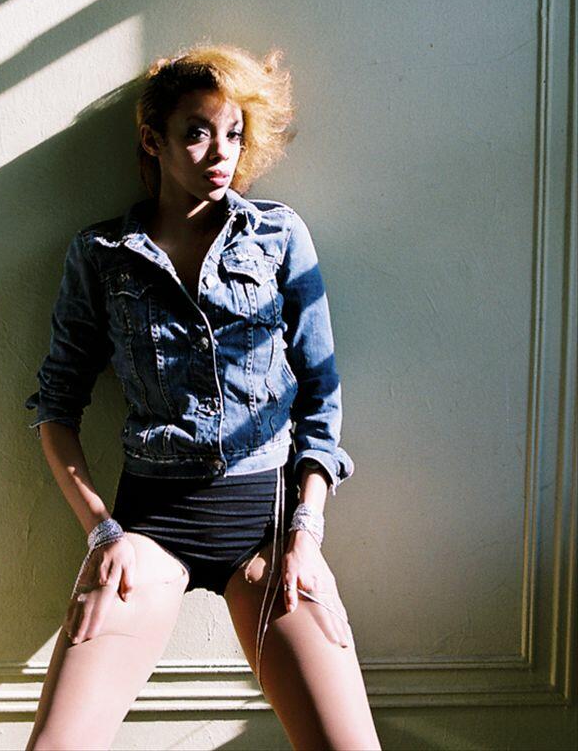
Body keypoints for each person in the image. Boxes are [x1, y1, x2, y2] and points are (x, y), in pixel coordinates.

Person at [24, 42, 381, 751]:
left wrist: (305, 535)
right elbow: (55, 406)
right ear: (151, 140)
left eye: (234, 133)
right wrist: (103, 533)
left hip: (269, 530)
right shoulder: (101, 255)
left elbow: (321, 397)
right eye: (197, 131)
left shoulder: (278, 235)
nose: (221, 152)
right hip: (149, 529)